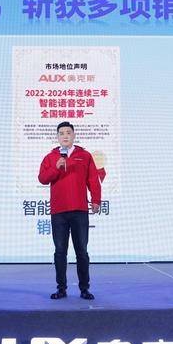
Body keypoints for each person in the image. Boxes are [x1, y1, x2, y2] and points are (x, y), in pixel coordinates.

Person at [37, 121, 101, 300]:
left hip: (80, 210)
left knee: (82, 251)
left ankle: (84, 289)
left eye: (68, 132)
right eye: (61, 133)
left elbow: (93, 179)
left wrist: (96, 200)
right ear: (57, 137)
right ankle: (61, 289)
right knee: (60, 251)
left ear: (73, 135)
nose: (65, 136)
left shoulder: (85, 156)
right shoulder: (50, 157)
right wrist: (55, 167)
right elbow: (42, 178)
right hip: (59, 211)